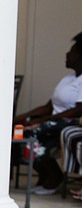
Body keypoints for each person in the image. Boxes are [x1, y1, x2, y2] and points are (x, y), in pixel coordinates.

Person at [13, 31, 82, 194]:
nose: (67, 54)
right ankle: (44, 176)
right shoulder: (67, 79)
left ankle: (55, 176)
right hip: (53, 119)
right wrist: (18, 118)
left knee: (33, 132)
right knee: (17, 129)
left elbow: (78, 110)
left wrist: (42, 120)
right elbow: (47, 107)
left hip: (69, 122)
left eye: (71, 52)